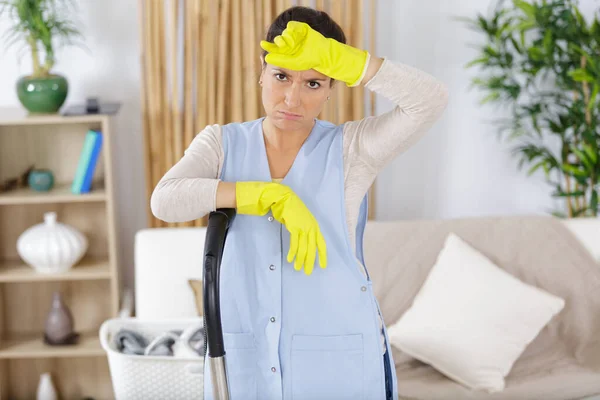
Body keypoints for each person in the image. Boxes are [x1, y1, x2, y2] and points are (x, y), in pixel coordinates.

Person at [151, 5, 448, 400]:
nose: (292, 98)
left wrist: (346, 60)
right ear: (261, 72)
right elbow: (165, 200)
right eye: (281, 76)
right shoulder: (221, 144)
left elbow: (430, 100)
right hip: (246, 358)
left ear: (331, 87)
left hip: (340, 359)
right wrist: (261, 194)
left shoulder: (352, 149)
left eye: (313, 83)